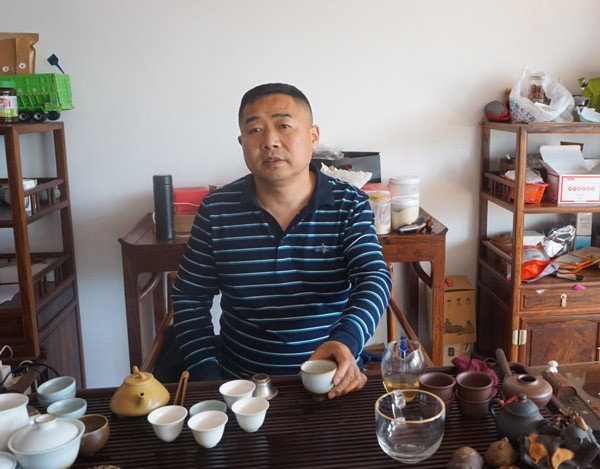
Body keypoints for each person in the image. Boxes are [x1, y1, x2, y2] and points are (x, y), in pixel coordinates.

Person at [171, 83, 392, 398]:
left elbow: (373, 276)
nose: (270, 141)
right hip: (242, 388)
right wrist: (208, 379)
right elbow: (190, 298)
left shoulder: (348, 204)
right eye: (255, 130)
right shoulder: (216, 210)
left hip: (333, 381)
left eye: (284, 126)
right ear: (242, 142)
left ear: (313, 136)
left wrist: (347, 340)